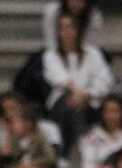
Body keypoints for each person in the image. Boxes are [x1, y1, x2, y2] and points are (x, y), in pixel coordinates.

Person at [44, 11, 112, 155]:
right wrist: (77, 94)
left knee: (76, 108)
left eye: (70, 27)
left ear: (78, 30)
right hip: (61, 103)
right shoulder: (51, 55)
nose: (67, 32)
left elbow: (104, 79)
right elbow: (58, 77)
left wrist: (87, 95)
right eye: (62, 28)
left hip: (90, 101)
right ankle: (80, 151)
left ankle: (71, 153)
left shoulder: (93, 53)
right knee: (71, 107)